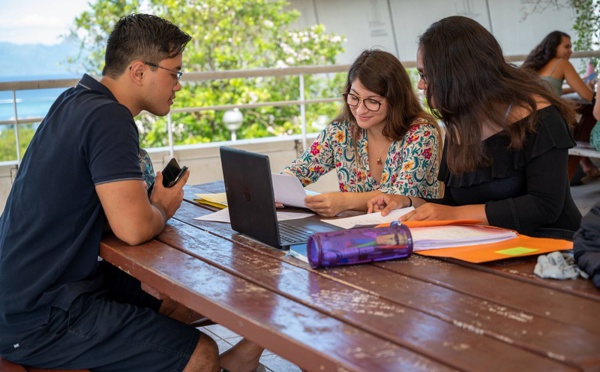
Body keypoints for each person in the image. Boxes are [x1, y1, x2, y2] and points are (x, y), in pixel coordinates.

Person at [0, 14, 262, 372]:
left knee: (171, 304)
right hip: (38, 314)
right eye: (175, 73)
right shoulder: (110, 118)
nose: (179, 85)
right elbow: (134, 229)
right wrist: (162, 207)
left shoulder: (74, 100)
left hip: (28, 291)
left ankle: (245, 355)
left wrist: (145, 207)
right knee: (201, 353)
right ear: (139, 71)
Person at [368, 16, 582, 239]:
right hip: (487, 244)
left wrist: (455, 214)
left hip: (550, 247)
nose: (421, 85)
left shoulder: (539, 117)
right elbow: (451, 203)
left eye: (425, 75)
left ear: (458, 74)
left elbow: (544, 206)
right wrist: (408, 202)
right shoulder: (460, 122)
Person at [283, 49, 442, 217]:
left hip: (415, 232)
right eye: (354, 97)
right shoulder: (341, 131)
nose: (360, 110)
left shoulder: (422, 133)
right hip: (358, 232)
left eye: (372, 101)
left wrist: (344, 201)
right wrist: (275, 192)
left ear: (396, 100)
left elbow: (400, 196)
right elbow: (298, 171)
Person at [521, 31, 600, 183]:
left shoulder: (535, 66)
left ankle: (586, 164)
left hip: (528, 124)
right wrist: (590, 85)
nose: (570, 51)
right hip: (548, 125)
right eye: (567, 46)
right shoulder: (561, 63)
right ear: (554, 48)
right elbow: (588, 96)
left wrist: (572, 88)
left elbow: (549, 89)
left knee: (577, 124)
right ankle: (583, 166)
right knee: (583, 124)